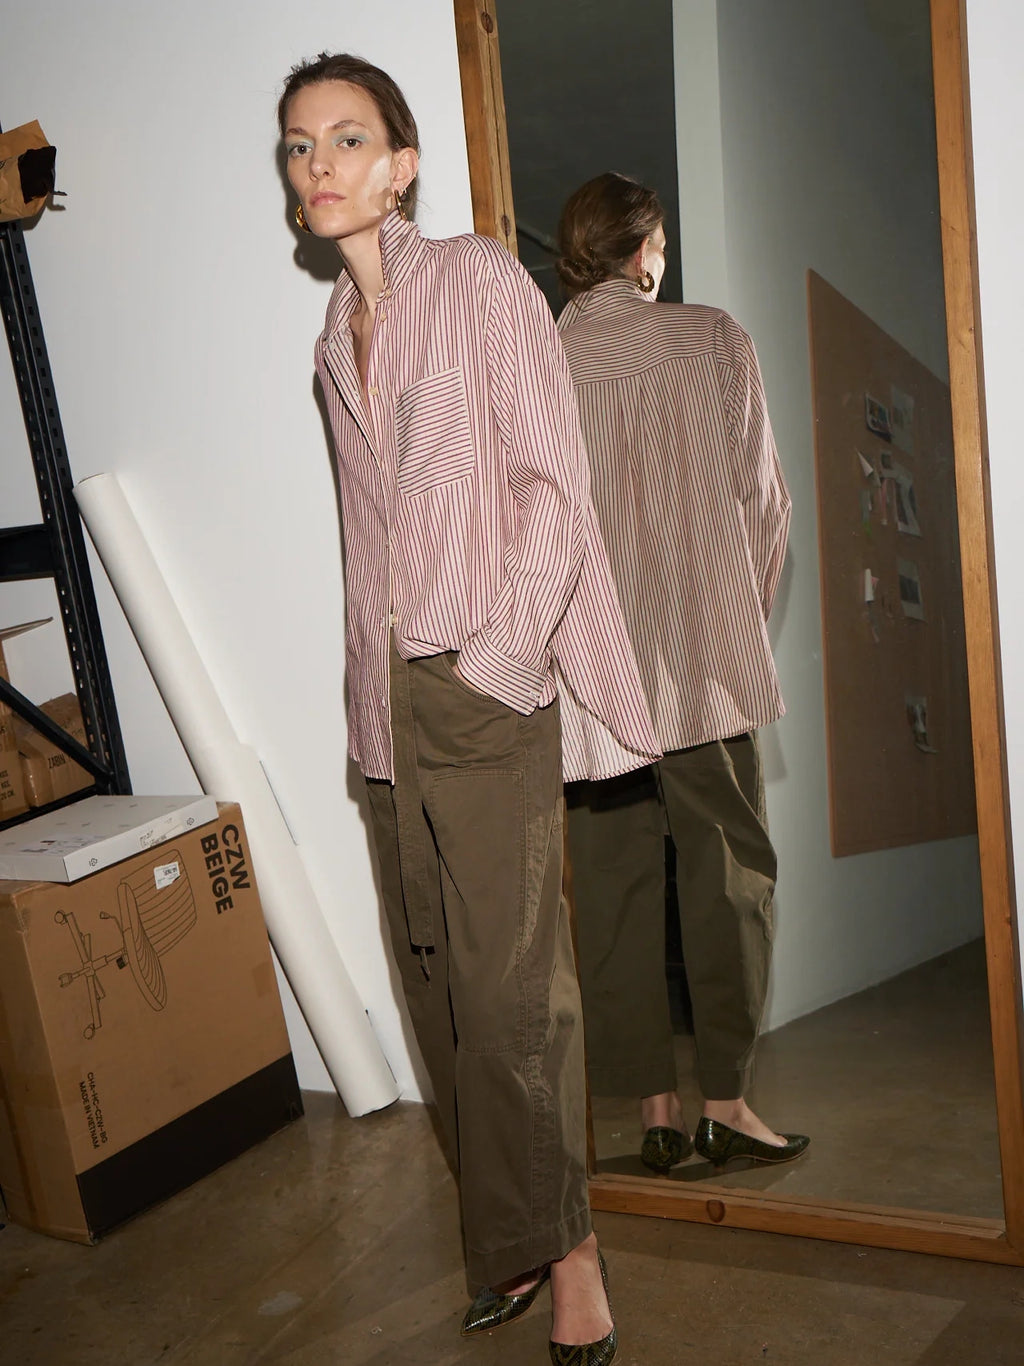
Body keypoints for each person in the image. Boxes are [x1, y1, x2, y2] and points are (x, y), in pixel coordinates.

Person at [278, 56, 659, 1364]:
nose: (319, 164)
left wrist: (497, 664)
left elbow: (555, 485)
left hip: (481, 689)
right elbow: (362, 540)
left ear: (403, 164)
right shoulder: (334, 340)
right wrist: (365, 690)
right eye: (298, 147)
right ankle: (502, 1236)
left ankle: (574, 1256)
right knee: (436, 988)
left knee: (511, 997)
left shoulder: (483, 284)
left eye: (347, 139)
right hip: (385, 709)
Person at [555, 172, 809, 1177]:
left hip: (586, 679)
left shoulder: (537, 360)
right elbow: (764, 507)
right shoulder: (712, 341)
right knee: (728, 880)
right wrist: (731, 618)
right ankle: (726, 1106)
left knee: (612, 891)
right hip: (702, 664)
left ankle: (654, 1114)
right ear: (646, 249)